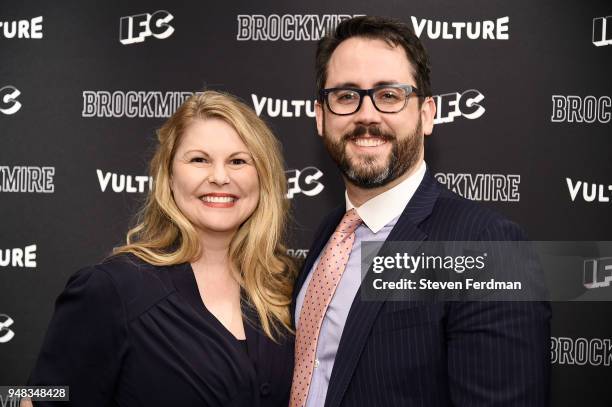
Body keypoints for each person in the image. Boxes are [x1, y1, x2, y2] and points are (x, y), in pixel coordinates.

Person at [290, 16, 551, 407]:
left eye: (390, 95)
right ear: (320, 116)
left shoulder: (486, 248)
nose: (366, 115)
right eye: (346, 96)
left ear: (427, 114)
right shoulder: (330, 233)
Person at [24, 91, 296, 407]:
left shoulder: (287, 286)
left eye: (238, 161)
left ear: (263, 177)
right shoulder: (113, 289)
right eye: (199, 159)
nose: (220, 177)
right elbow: (35, 398)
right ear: (168, 175)